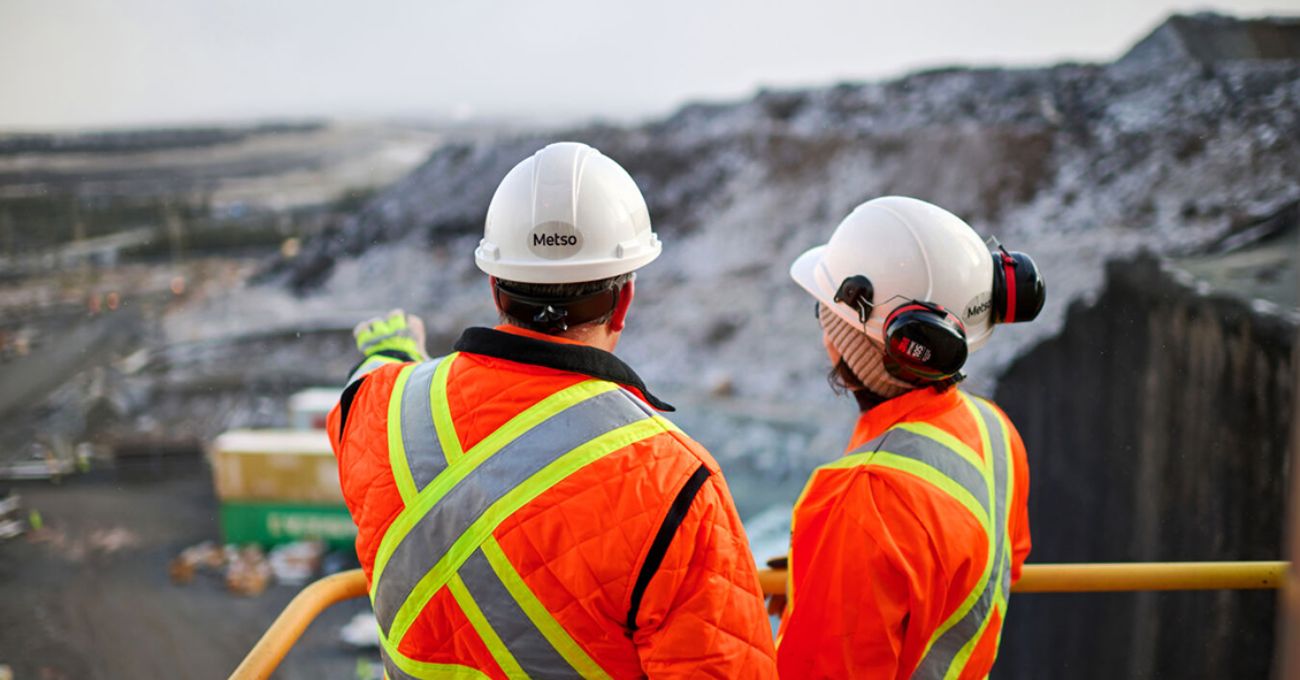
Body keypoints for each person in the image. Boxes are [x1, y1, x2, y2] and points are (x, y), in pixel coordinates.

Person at [328, 142, 777, 679]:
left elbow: (359, 393)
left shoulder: (385, 408)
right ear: (625, 299)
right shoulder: (677, 482)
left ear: (495, 286)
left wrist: (393, 354)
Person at [776, 196, 1045, 679]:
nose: (823, 334)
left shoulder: (862, 498)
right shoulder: (994, 430)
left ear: (854, 343)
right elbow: (1000, 569)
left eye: (825, 316)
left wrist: (830, 574)